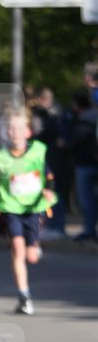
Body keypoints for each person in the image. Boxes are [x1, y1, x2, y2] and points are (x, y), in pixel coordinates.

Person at [0, 108, 57, 315]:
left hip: (34, 207)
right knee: (17, 250)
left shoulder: (38, 151)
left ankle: (35, 246)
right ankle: (24, 296)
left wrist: (48, 191)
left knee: (31, 257)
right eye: (11, 129)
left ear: (27, 132)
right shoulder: (1, 157)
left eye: (19, 128)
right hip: (11, 208)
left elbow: (49, 176)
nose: (14, 132)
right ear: (7, 133)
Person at [68, 87, 98, 242]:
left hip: (84, 164)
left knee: (86, 200)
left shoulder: (82, 120)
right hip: (91, 162)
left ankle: (89, 230)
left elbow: (73, 142)